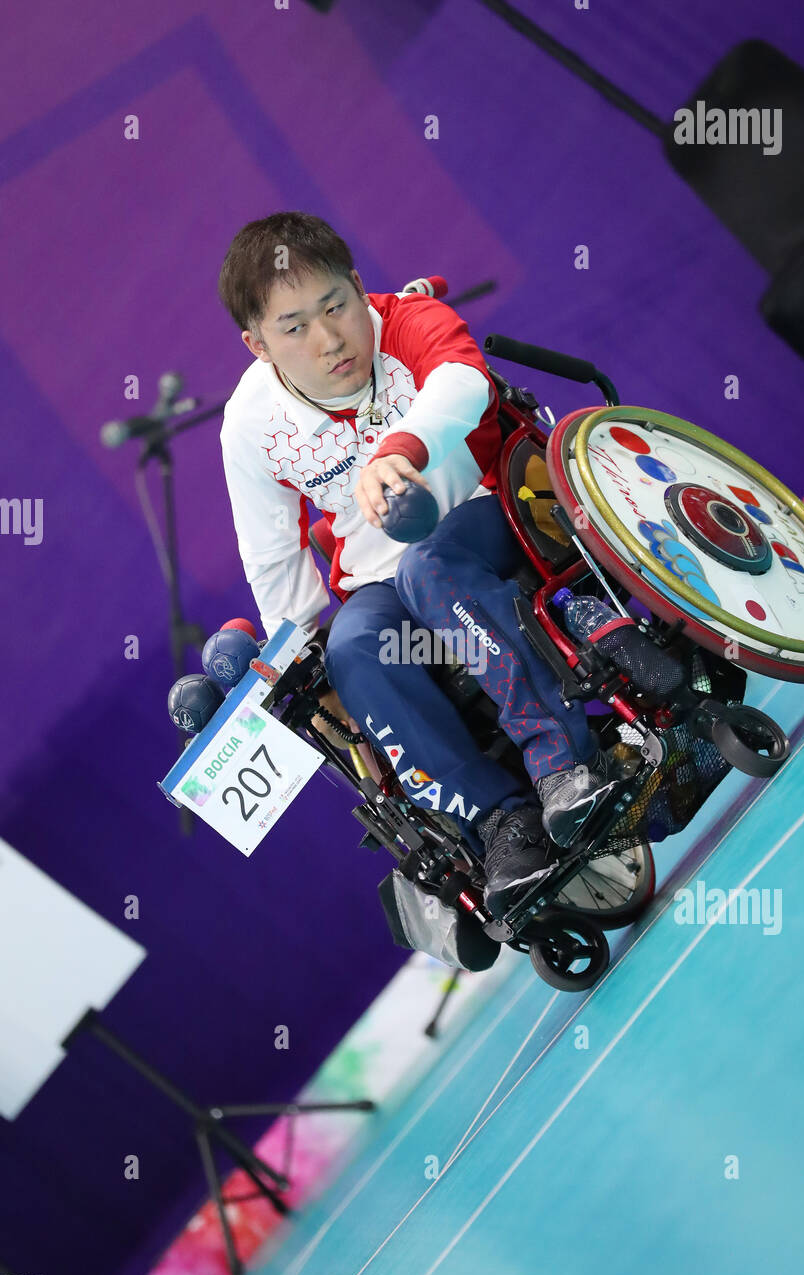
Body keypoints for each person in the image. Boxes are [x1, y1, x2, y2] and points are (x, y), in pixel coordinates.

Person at [217, 212, 618, 914]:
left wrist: (399, 450)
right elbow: (273, 557)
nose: (329, 338)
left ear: (359, 286)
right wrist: (297, 653)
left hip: (493, 508)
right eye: (294, 328)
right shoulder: (250, 427)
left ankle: (560, 764)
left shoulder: (406, 320)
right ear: (257, 346)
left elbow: (464, 383)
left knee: (427, 569)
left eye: (336, 305)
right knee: (353, 647)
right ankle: (499, 822)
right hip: (375, 577)